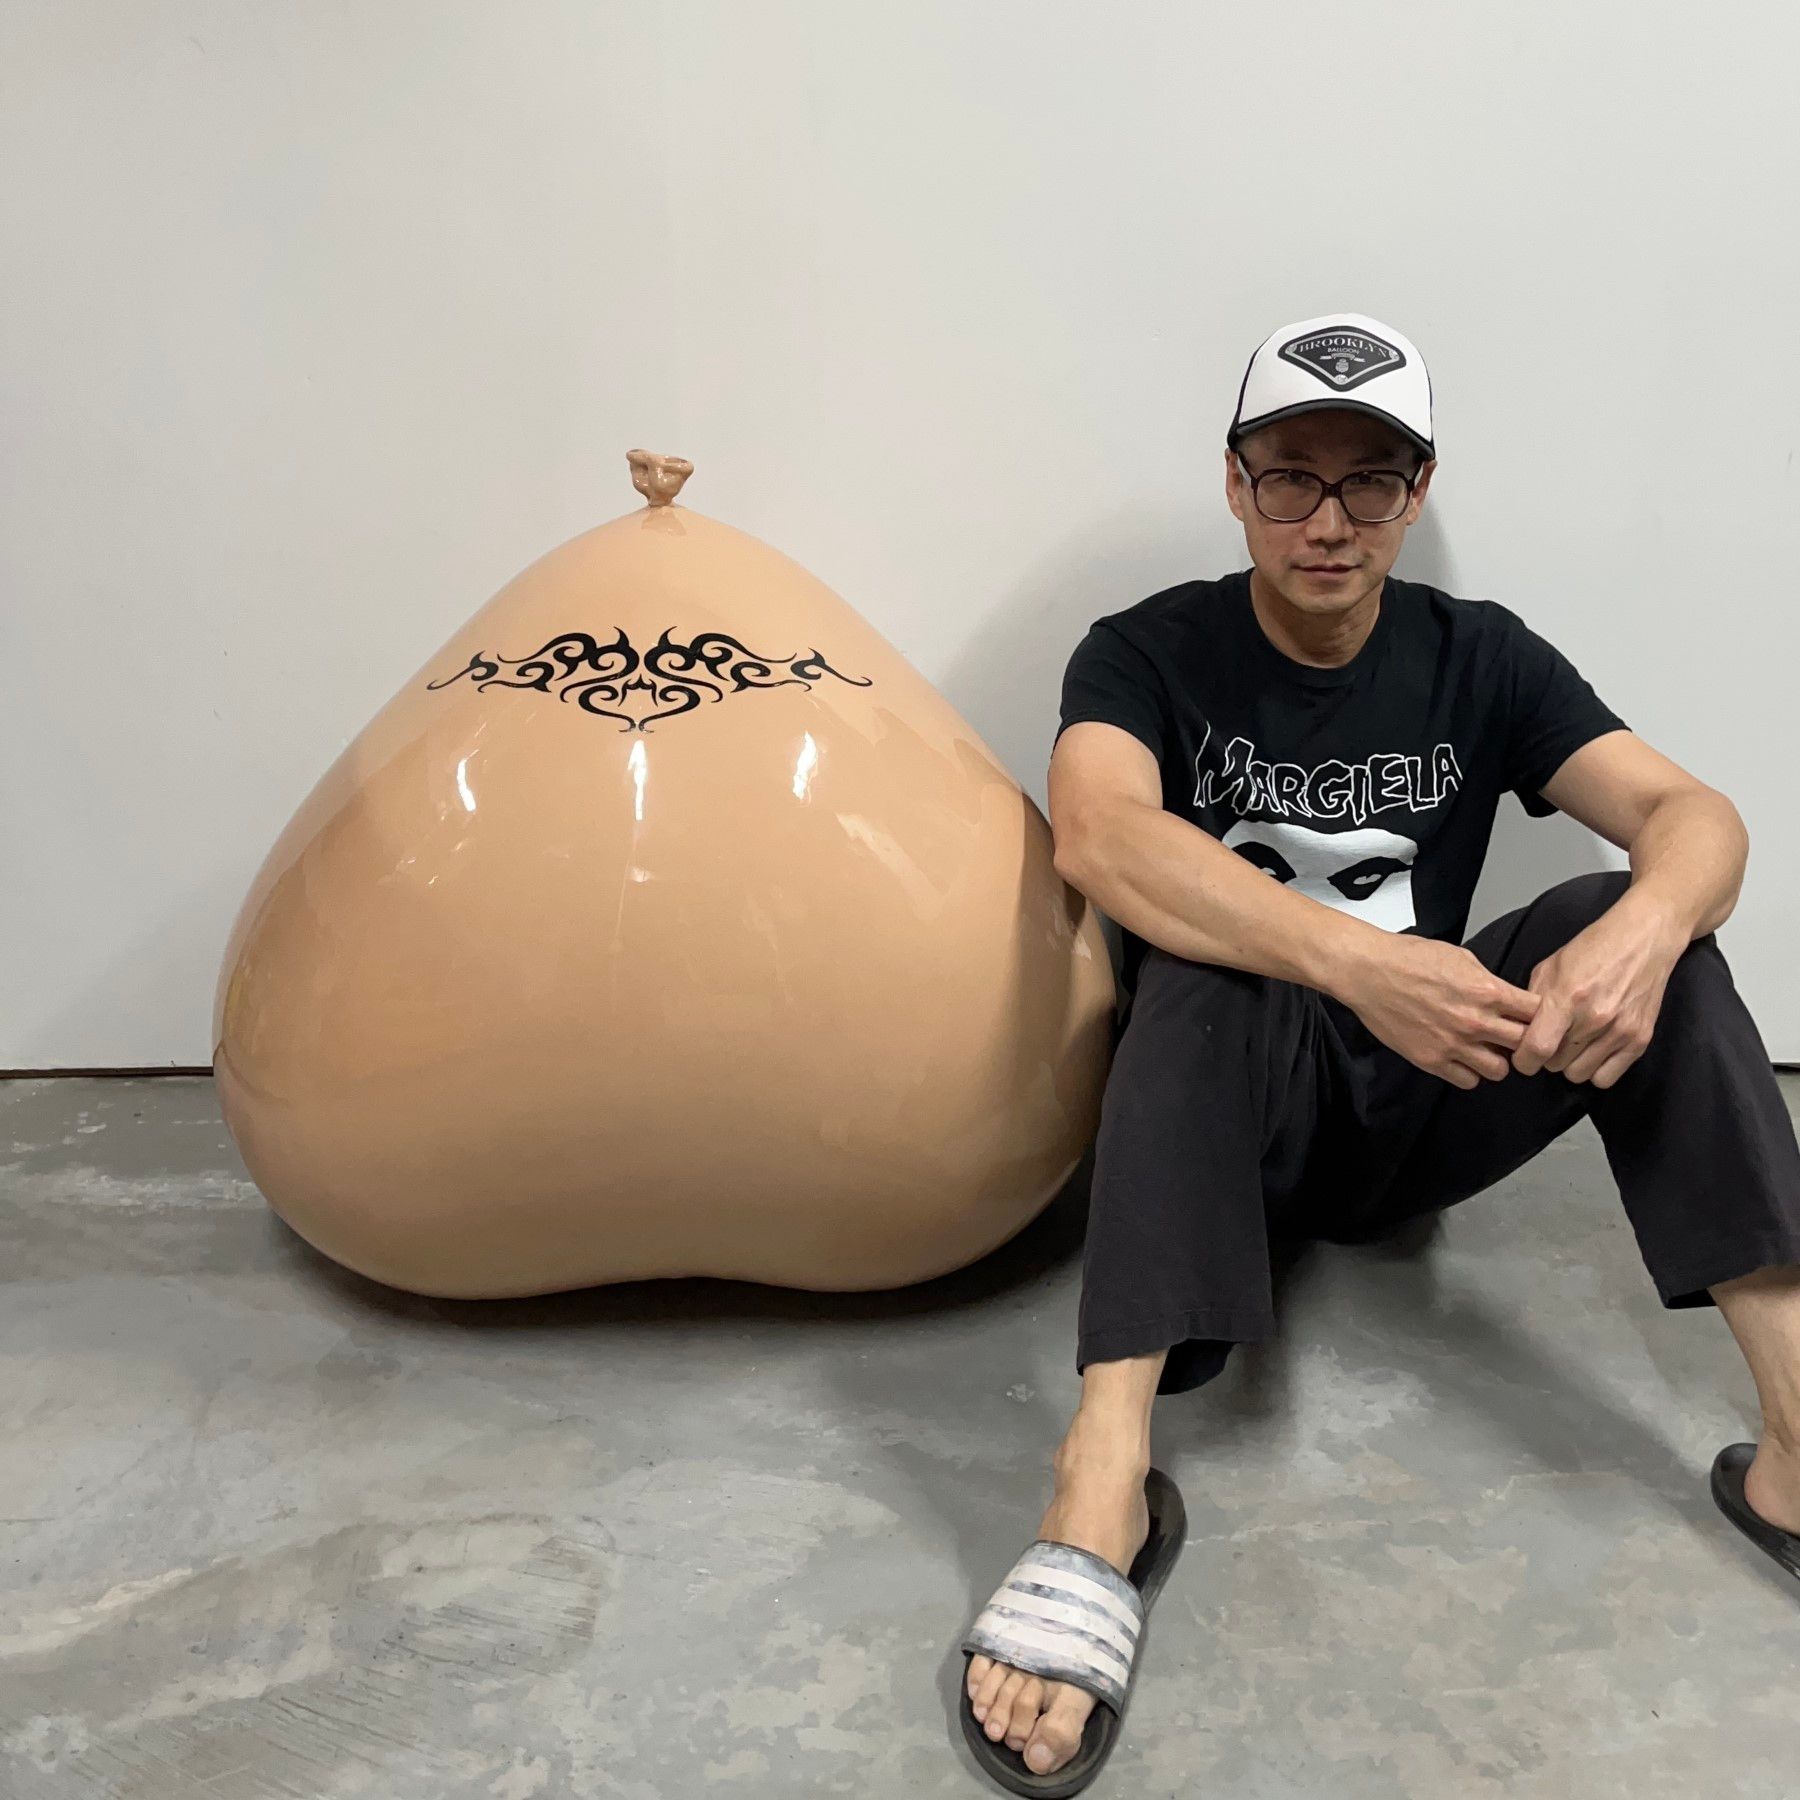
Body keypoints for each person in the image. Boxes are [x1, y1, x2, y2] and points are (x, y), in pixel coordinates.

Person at [961, 311, 1800, 1785]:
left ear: (1419, 494)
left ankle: (1799, 1437)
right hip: (1230, 1126)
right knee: (1205, 960)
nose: (1329, 521)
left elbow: (1696, 817)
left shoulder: (1482, 656)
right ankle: (1102, 1482)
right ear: (1236, 484)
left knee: (1630, 918)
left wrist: (1648, 926)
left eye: (1371, 480)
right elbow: (1100, 834)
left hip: (1430, 1100)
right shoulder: (1147, 649)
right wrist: (1360, 961)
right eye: (1291, 476)